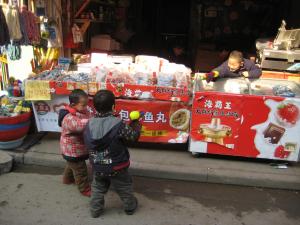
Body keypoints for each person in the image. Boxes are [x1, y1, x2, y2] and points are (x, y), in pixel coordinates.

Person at [84, 90, 142, 218]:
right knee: (124, 187)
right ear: (113, 107)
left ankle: (95, 210)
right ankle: (130, 207)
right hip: (117, 166)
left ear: (94, 107)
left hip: (98, 165)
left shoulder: (89, 124)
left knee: (98, 188)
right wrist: (136, 123)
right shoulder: (118, 124)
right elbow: (133, 136)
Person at [58, 89, 92, 197]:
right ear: (73, 104)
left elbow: (87, 116)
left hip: (74, 149)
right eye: (83, 105)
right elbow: (80, 125)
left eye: (87, 104)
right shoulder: (68, 118)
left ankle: (67, 179)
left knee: (72, 165)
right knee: (80, 170)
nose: (86, 107)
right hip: (72, 150)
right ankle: (84, 188)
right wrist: (96, 121)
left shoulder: (81, 111)